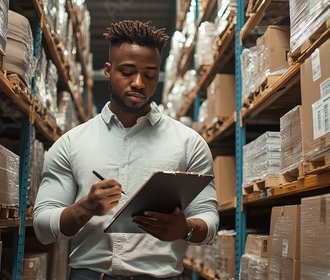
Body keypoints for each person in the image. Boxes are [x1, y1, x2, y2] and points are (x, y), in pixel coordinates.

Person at [33, 20, 219, 279]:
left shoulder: (189, 143)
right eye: (128, 71)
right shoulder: (71, 143)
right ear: (108, 70)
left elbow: (208, 218)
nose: (139, 83)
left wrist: (186, 229)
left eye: (150, 74)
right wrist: (85, 207)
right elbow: (42, 227)